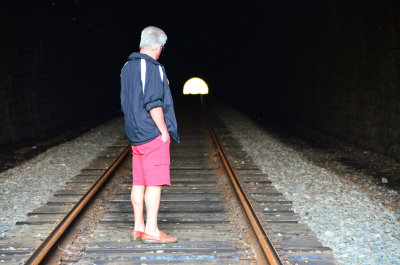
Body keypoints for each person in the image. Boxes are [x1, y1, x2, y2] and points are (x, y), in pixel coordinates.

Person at [120, 26, 180, 243]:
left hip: (135, 134)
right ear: (159, 47)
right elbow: (153, 103)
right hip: (152, 134)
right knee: (154, 183)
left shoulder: (127, 66)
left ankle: (138, 227)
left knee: (139, 181)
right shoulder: (154, 67)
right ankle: (152, 231)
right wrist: (164, 131)